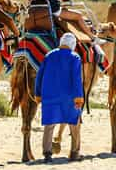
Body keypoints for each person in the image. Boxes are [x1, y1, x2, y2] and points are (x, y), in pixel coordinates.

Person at [35, 33, 85, 162]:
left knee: (49, 124)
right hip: (69, 97)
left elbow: (39, 76)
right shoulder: (75, 57)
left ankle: (47, 153)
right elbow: (76, 79)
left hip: (50, 95)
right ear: (72, 44)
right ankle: (75, 152)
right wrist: (79, 97)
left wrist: (38, 93)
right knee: (74, 123)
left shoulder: (49, 55)